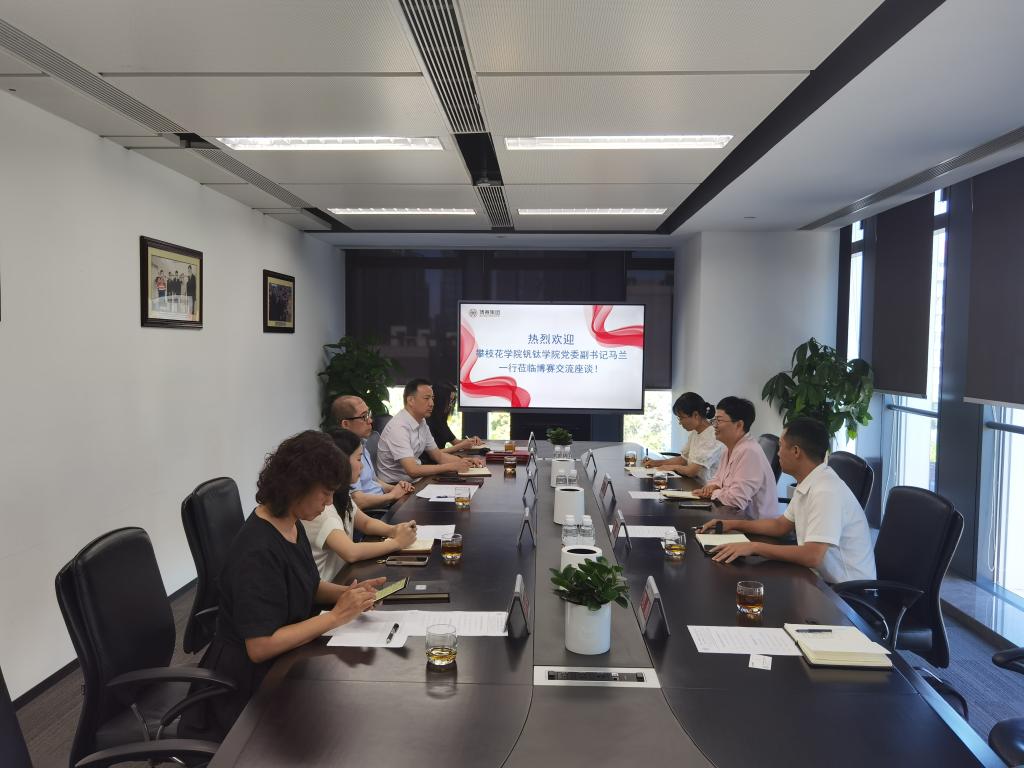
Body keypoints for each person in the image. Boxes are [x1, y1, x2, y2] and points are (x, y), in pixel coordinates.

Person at [183, 430, 382, 740]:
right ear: (297, 486)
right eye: (325, 493)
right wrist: (336, 616)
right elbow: (260, 647)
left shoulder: (290, 523)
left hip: (285, 661)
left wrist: (348, 595)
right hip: (244, 689)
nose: (329, 502)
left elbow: (307, 585)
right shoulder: (257, 551)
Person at [699, 417, 876, 583]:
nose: (778, 454)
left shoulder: (826, 490)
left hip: (845, 594)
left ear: (796, 451)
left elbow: (812, 556)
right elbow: (780, 526)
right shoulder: (810, 481)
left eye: (781, 446)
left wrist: (754, 547)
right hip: (819, 580)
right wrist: (732, 524)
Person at [302, 429, 418, 580]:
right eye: (358, 459)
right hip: (332, 585)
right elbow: (351, 552)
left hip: (345, 576)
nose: (362, 467)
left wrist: (394, 530)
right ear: (341, 462)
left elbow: (366, 523)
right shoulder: (321, 507)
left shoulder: (341, 494)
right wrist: (397, 543)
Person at [376, 378, 483, 483]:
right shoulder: (399, 427)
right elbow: (412, 470)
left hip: (415, 480)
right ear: (410, 400)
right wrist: (451, 466)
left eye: (432, 398)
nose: (432, 403)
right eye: (426, 398)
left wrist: (465, 461)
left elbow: (438, 456)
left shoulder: (421, 422)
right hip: (397, 485)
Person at [693, 396, 779, 519]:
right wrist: (711, 487)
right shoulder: (729, 447)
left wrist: (714, 493)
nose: (714, 425)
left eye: (719, 421)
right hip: (732, 516)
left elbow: (736, 500)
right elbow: (718, 478)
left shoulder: (749, 452)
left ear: (739, 425)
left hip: (754, 524)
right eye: (714, 420)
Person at [329, 394, 415, 510]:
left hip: (384, 503)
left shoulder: (362, 444)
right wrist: (392, 496)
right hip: (374, 512)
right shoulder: (344, 454)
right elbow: (357, 501)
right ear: (346, 424)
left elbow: (374, 481)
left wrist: (398, 489)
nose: (370, 420)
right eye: (363, 416)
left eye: (368, 414)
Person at [643, 392, 724, 484]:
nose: (680, 422)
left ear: (695, 415)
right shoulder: (695, 432)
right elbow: (683, 459)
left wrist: (672, 467)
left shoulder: (712, 436)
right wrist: (656, 463)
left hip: (706, 488)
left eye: (681, 418)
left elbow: (692, 471)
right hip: (693, 483)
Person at [425, 381, 483, 453]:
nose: (450, 405)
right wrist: (460, 446)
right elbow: (434, 454)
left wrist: (472, 440)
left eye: (452, 401)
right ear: (439, 400)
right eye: (449, 400)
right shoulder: (427, 421)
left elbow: (456, 442)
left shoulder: (441, 420)